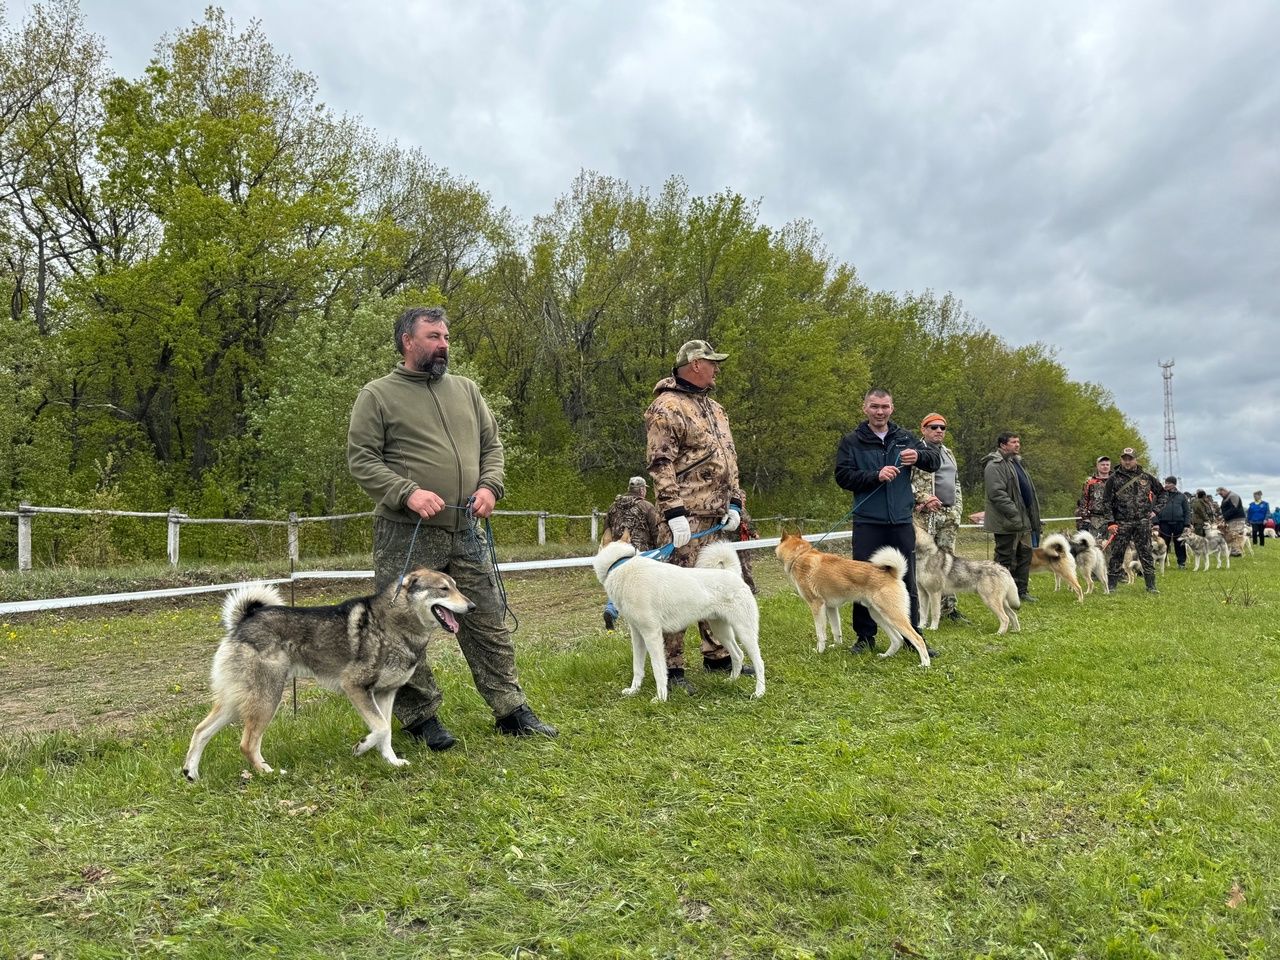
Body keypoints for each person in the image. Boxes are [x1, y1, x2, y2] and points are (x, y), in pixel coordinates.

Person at [346, 305, 557, 750]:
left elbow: (491, 447)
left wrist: (491, 487)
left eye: (445, 336)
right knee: (401, 627)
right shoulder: (378, 395)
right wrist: (407, 492)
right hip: (407, 533)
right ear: (408, 341)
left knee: (486, 616)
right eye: (434, 336)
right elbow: (362, 460)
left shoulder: (466, 390)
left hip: (466, 528)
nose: (444, 344)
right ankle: (421, 719)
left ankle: (510, 709)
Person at [645, 338, 751, 695]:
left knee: (717, 585)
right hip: (685, 517)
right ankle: (671, 668)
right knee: (675, 590)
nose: (717, 368)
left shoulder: (716, 409)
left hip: (719, 516)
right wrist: (672, 511)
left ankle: (718, 653)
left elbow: (730, 459)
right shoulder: (667, 406)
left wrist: (736, 502)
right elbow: (660, 463)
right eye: (712, 362)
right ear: (694, 364)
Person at [835, 389, 940, 653]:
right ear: (865, 408)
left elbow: (934, 461)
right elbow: (843, 476)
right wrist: (875, 475)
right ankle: (865, 638)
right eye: (874, 407)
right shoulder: (852, 441)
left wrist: (919, 456)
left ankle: (911, 637)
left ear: (892, 408)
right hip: (868, 522)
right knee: (862, 581)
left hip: (901, 522)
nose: (879, 412)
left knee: (906, 580)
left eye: (884, 407)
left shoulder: (904, 437)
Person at [911, 413, 967, 623]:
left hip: (948, 515)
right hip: (925, 516)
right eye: (933, 427)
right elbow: (908, 484)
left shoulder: (948, 453)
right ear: (923, 429)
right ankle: (919, 610)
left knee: (948, 562)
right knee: (924, 562)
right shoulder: (916, 452)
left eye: (942, 428)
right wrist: (922, 500)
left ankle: (949, 609)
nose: (939, 431)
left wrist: (957, 508)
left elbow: (956, 482)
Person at [982, 432, 1042, 602]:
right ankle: (997, 592)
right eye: (1013, 442)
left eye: (1018, 442)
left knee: (1024, 555)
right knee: (1005, 557)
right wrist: (1015, 512)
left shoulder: (1015, 462)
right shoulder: (994, 465)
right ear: (1002, 445)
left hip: (1023, 520)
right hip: (1006, 521)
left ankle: (1021, 591)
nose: (1017, 445)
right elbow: (997, 494)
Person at [601, 476, 662, 629]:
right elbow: (655, 529)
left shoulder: (613, 506)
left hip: (618, 552)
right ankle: (645, 616)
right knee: (644, 585)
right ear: (642, 489)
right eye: (645, 489)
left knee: (619, 582)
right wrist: (659, 548)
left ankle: (611, 609)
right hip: (641, 552)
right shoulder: (646, 506)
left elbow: (606, 530)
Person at [1102, 447, 1166, 593]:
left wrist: (1155, 510)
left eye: (1130, 458)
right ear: (1121, 460)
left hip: (1142, 522)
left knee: (1146, 553)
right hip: (1121, 522)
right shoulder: (1114, 478)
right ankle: (1111, 586)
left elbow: (1162, 493)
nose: (1127, 461)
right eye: (1124, 458)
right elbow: (1106, 502)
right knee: (1117, 554)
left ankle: (1151, 586)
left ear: (1135, 459)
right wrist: (1110, 522)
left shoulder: (1146, 477)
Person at [1155, 476, 1191, 569]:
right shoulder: (1160, 495)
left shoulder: (1182, 496)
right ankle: (1162, 562)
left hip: (1179, 523)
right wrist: (1155, 523)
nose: (1166, 485)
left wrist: (1187, 524)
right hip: (1164, 523)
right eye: (1165, 483)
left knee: (1180, 544)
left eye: (1168, 483)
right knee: (1162, 544)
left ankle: (1181, 563)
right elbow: (1153, 510)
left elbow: (1187, 511)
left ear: (1174, 484)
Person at [1075, 456, 1112, 538]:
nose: (1105, 466)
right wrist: (1085, 518)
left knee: (1111, 546)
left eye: (1107, 465)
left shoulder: (1115, 480)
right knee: (1095, 545)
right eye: (1102, 465)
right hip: (1095, 518)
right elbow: (1084, 500)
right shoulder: (1090, 481)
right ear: (1097, 466)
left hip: (1112, 519)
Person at [1217, 487, 1247, 556]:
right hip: (1231, 519)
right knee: (1232, 534)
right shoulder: (1227, 497)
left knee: (1235, 534)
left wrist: (1224, 516)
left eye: (1221, 494)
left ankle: (1236, 551)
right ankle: (1234, 550)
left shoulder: (1233, 496)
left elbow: (1234, 508)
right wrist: (1224, 517)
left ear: (1224, 490)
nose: (1220, 495)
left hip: (1237, 519)